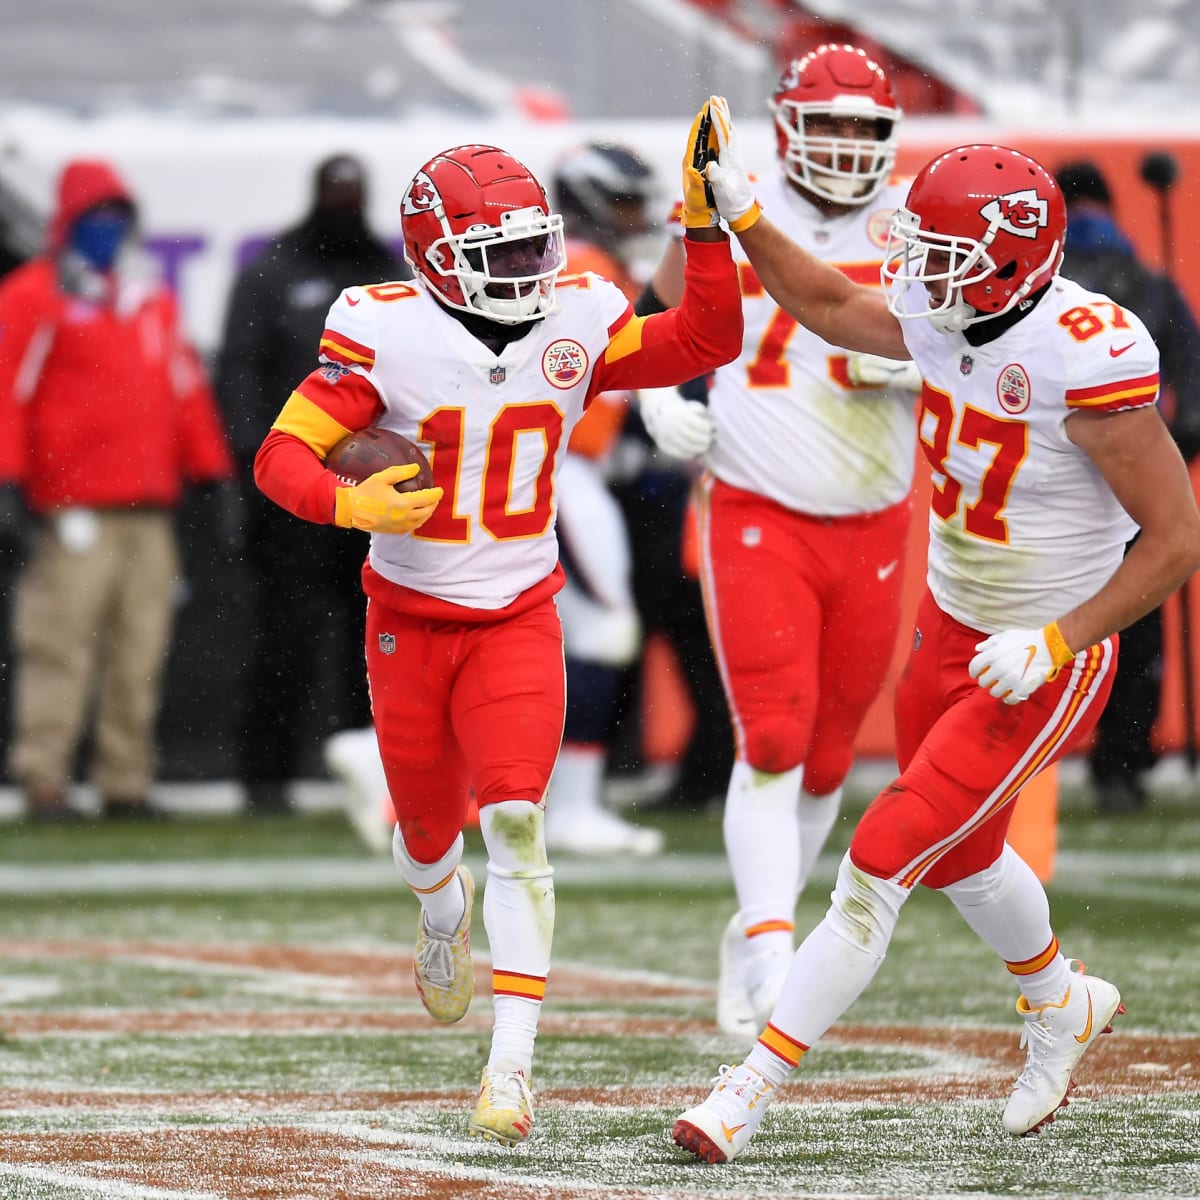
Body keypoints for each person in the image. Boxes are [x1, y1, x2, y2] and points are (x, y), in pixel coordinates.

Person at [669, 99, 1200, 1162]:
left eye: (948, 254)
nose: (922, 271)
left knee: (881, 860)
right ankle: (1059, 1000)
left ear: (1011, 267)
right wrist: (744, 215)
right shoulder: (947, 305)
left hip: (1042, 651)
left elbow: (1177, 540)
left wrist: (1058, 641)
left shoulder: (1085, 353)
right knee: (966, 856)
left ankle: (749, 1088)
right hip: (952, 624)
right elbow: (825, 303)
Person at [254, 138, 741, 1144]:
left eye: (535, 249)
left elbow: (705, 341)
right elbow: (278, 458)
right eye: (505, 255)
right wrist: (350, 503)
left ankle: (510, 1068)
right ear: (437, 255)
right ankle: (441, 915)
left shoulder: (577, 310)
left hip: (518, 611)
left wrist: (705, 228)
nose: (530, 272)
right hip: (410, 618)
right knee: (428, 836)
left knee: (518, 820)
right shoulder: (381, 331)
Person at [638, 44, 923, 1037]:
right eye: (829, 124)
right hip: (758, 500)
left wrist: (931, 368)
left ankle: (757, 933)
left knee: (831, 751)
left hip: (876, 515)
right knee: (772, 734)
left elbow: (979, 345)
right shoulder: (729, 198)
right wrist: (656, 407)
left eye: (862, 128)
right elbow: (656, 319)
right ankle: (769, 950)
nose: (845, 145)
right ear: (789, 127)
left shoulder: (921, 220)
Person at [0, 157, 235, 821]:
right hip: (73, 506)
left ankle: (124, 780)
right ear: (67, 223)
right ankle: (44, 777)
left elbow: (184, 389)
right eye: (95, 218)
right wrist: (10, 479)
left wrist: (211, 471)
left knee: (140, 650)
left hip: (148, 505)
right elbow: (7, 393)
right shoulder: (32, 295)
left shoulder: (147, 298)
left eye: (117, 219)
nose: (107, 231)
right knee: (60, 645)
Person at [215, 154, 408, 815]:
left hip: (375, 487)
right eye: (337, 193)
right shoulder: (272, 272)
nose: (344, 203)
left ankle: (379, 775)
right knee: (286, 637)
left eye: (354, 193)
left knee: (379, 634)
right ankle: (266, 778)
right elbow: (238, 372)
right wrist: (255, 473)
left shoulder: (387, 275)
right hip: (296, 491)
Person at [1054, 160, 1200, 814]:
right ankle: (1121, 765)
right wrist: (1158, 466)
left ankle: (1019, 762)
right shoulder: (1152, 288)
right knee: (1134, 628)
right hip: (1132, 500)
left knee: (1041, 626)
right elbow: (1194, 403)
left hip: (1047, 498)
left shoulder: (1037, 293)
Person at [542, 140, 664, 857]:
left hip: (565, 469)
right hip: (558, 472)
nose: (636, 214)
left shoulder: (581, 269)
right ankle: (573, 807)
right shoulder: (584, 271)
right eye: (622, 200)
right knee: (603, 630)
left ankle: (381, 754)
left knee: (550, 639)